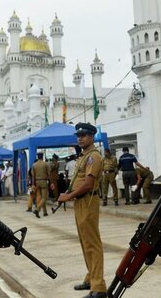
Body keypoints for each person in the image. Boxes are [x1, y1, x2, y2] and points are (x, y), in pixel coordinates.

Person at [58, 123, 106, 298]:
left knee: (92, 244)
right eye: (78, 135)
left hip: (88, 201)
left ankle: (99, 287)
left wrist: (68, 197)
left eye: (84, 135)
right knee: (85, 243)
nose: (80, 138)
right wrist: (70, 194)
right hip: (80, 202)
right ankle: (91, 278)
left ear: (92, 136)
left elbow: (89, 184)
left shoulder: (93, 157)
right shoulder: (84, 156)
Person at [31, 151, 51, 217]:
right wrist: (50, 182)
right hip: (44, 181)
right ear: (42, 156)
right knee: (44, 198)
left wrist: (33, 184)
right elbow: (49, 174)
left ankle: (45, 212)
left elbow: (33, 175)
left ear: (37, 156)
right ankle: (37, 209)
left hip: (37, 182)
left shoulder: (34, 165)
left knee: (41, 197)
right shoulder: (46, 164)